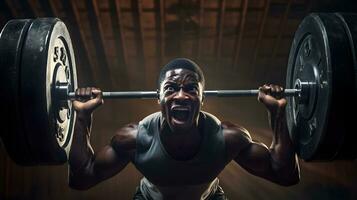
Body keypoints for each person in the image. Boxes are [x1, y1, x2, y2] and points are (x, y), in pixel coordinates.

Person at [68, 58, 300, 199]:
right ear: (158, 98)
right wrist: (82, 115)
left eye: (191, 88)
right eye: (170, 89)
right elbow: (82, 178)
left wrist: (278, 112)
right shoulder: (134, 139)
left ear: (202, 98)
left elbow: (284, 174)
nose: (181, 96)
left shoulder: (227, 138)